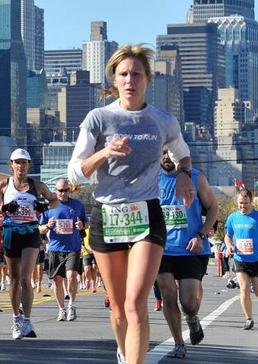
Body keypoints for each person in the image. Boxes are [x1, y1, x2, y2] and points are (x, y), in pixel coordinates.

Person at [67, 44, 193, 363]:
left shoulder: (162, 121)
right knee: (120, 307)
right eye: (123, 74)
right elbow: (75, 173)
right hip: (107, 215)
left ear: (148, 79)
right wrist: (104, 152)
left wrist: (184, 174)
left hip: (146, 215)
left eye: (136, 74)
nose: (129, 80)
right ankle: (124, 351)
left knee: (137, 303)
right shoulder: (99, 118)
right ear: (114, 79)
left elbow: (182, 152)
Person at [0, 148, 57, 340]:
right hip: (10, 232)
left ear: (28, 165)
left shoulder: (37, 185)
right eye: (17, 162)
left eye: (24, 163)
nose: (20, 166)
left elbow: (55, 200)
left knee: (26, 278)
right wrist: (5, 207)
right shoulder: (3, 185)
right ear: (11, 164)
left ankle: (27, 321)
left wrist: (45, 207)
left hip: (30, 232)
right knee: (15, 280)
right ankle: (16, 319)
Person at [155, 149, 218, 358]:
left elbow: (213, 208)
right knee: (167, 294)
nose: (166, 157)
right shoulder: (150, 180)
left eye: (169, 153)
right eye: (161, 153)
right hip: (162, 249)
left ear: (179, 155)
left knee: (189, 305)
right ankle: (178, 343)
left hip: (191, 249)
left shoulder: (197, 177)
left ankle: (192, 319)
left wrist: (200, 235)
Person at [38, 178, 88, 322]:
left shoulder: (77, 205)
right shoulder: (49, 208)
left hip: (73, 247)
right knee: (57, 280)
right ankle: (61, 308)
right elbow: (40, 229)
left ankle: (71, 305)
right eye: (60, 191)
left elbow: (86, 222)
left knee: (72, 277)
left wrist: (82, 225)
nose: (63, 193)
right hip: (55, 247)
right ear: (56, 190)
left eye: (66, 190)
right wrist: (48, 225)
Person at [224, 188, 258, 330]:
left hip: (256, 259)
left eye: (245, 203)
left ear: (251, 202)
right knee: (244, 288)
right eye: (240, 203)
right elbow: (228, 235)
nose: (243, 206)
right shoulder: (232, 217)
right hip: (240, 258)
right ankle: (248, 319)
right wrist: (229, 246)